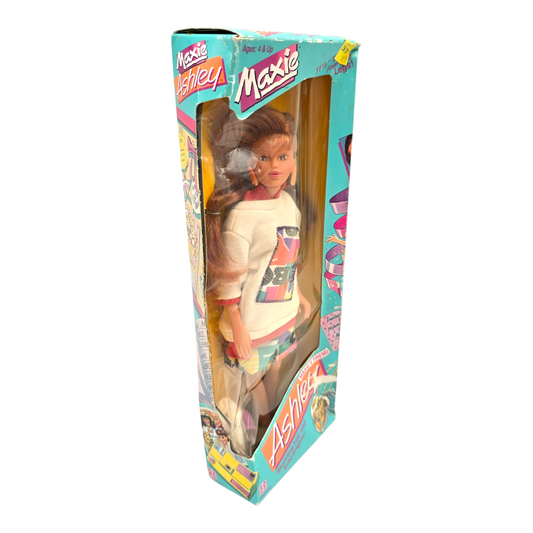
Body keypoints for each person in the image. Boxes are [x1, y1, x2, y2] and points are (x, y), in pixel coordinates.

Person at [205, 106, 311, 452]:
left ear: (294, 161)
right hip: (252, 327)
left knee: (277, 371)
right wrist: (236, 325)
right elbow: (229, 279)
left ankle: (278, 422)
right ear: (252, 165)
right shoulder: (242, 216)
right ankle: (265, 431)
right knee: (254, 383)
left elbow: (287, 257)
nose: (275, 165)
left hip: (283, 316)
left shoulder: (289, 206)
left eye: (283, 156)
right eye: (265, 157)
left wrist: (299, 295)